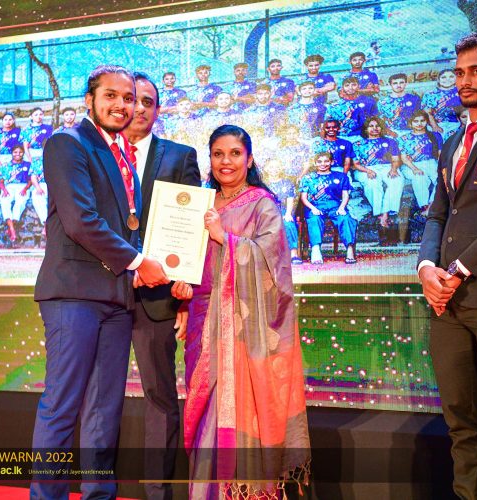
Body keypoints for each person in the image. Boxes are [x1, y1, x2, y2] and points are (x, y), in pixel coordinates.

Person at [30, 64, 180, 500]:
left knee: (104, 411)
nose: (122, 105)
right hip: (73, 295)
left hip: (116, 298)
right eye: (111, 96)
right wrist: (139, 261)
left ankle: (99, 495)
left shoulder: (123, 156)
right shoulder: (67, 143)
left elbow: (129, 225)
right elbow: (80, 220)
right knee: (62, 406)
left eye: (129, 98)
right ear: (90, 100)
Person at [182, 125, 310, 499]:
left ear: (249, 160)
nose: (226, 161)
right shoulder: (200, 204)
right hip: (203, 324)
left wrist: (225, 237)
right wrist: (180, 290)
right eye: (218, 154)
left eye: (235, 153)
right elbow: (189, 262)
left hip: (242, 332)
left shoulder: (262, 204)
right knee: (205, 419)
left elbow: (274, 266)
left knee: (237, 412)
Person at [418, 33, 477, 500]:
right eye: (459, 72)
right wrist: (425, 268)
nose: (465, 81)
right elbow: (437, 215)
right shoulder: (453, 141)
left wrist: (455, 271)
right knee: (461, 424)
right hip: (446, 307)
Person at [123, 72, 201, 500]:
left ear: (158, 109)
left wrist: (185, 290)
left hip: (157, 298)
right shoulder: (96, 155)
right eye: (133, 99)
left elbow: (191, 229)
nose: (139, 108)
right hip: (104, 294)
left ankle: (157, 493)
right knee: (97, 394)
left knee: (159, 396)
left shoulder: (180, 156)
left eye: (148, 102)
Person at [300, 152, 358, 264]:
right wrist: (313, 208)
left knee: (346, 218)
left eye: (326, 161)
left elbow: (345, 195)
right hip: (315, 205)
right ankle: (316, 250)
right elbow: (304, 198)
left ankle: (350, 250)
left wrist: (342, 208)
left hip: (335, 205)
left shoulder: (341, 176)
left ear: (331, 162)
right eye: (319, 161)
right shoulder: (308, 178)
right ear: (315, 163)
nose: (323, 164)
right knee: (314, 219)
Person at [352, 115, 404, 230]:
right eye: (371, 126)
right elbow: (355, 164)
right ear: (366, 129)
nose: (375, 128)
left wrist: (394, 169)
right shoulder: (358, 144)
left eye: (377, 126)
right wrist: (367, 170)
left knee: (397, 180)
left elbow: (396, 159)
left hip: (387, 166)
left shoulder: (390, 141)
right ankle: (380, 213)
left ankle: (386, 213)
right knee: (372, 183)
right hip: (365, 168)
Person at [398, 110, 442, 215]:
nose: (419, 124)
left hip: (431, 162)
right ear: (410, 123)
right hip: (410, 165)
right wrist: (415, 169)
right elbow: (404, 158)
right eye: (416, 121)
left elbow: (440, 154)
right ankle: (424, 206)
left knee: (441, 179)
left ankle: (431, 205)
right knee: (419, 177)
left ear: (427, 121)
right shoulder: (404, 138)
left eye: (422, 121)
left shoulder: (435, 135)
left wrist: (441, 167)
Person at [325, 76, 378, 143]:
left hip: (363, 138)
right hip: (341, 138)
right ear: (342, 88)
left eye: (354, 85)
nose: (350, 88)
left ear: (359, 86)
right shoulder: (334, 107)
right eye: (347, 85)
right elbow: (327, 125)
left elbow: (376, 121)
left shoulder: (369, 102)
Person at [0, 144, 31, 244]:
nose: (18, 154)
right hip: (9, 186)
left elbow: (30, 180)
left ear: (23, 153)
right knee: (5, 201)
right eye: (15, 152)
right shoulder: (6, 166)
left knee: (20, 203)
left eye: (20, 152)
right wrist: (4, 190)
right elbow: (1, 181)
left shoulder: (28, 165)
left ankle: (11, 228)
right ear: (12, 153)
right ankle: (12, 229)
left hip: (23, 186)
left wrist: (25, 189)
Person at [421, 68, 462, 140]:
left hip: (456, 126)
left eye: (451, 77)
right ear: (438, 79)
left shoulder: (461, 93)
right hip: (436, 126)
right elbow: (427, 113)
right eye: (443, 77)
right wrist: (435, 126)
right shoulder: (429, 94)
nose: (447, 79)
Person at [0, 112, 21, 197]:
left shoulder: (18, 132)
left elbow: (21, 147)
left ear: (13, 121)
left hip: (12, 156)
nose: (8, 122)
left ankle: (7, 191)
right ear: (2, 121)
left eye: (10, 119)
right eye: (5, 119)